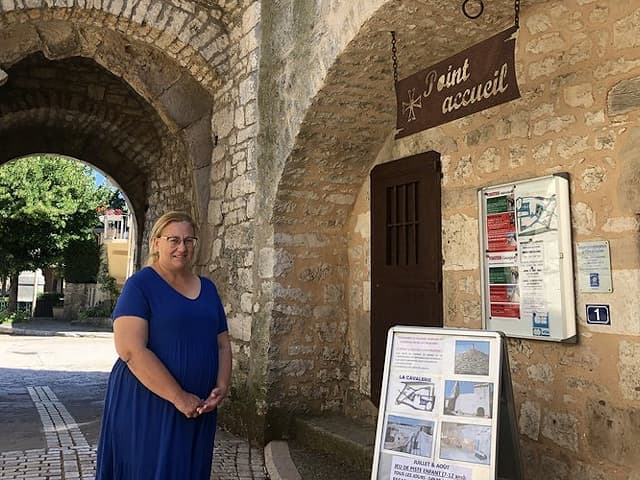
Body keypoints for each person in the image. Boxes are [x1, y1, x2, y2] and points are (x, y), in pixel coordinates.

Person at [96, 211, 232, 479]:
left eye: (188, 240)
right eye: (173, 240)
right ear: (156, 243)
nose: (182, 247)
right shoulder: (140, 285)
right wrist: (179, 397)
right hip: (149, 402)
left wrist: (222, 386)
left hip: (199, 407)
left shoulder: (208, 288)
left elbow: (222, 344)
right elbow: (130, 350)